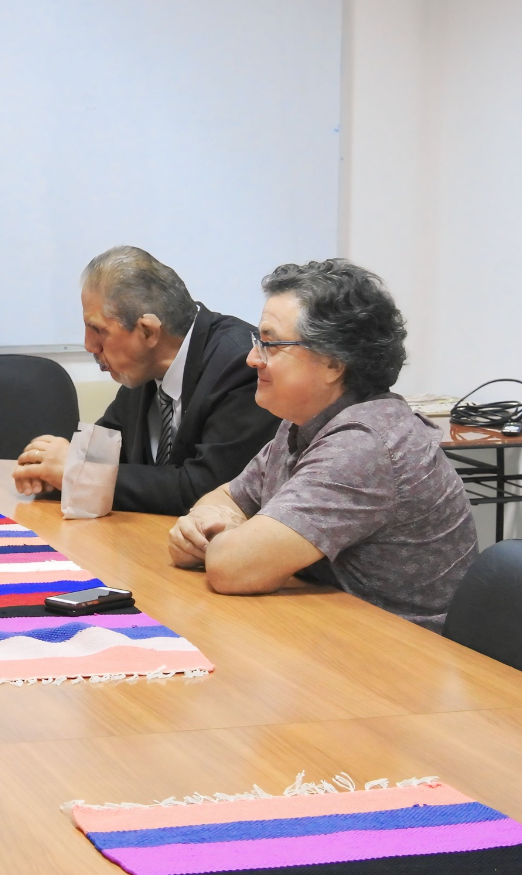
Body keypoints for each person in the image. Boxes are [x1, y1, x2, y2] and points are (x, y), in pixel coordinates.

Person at [168, 259, 478, 632]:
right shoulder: (303, 422)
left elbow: (231, 568)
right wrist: (210, 526)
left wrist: (220, 539)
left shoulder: (364, 445)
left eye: (270, 344)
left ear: (333, 363)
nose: (252, 358)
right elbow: (225, 498)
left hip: (404, 660)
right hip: (336, 633)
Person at [13, 246, 280, 514]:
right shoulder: (144, 366)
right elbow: (105, 451)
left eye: (98, 330)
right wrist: (50, 469)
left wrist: (77, 472)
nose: (88, 345)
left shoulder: (242, 364)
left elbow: (207, 489)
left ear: (148, 331)